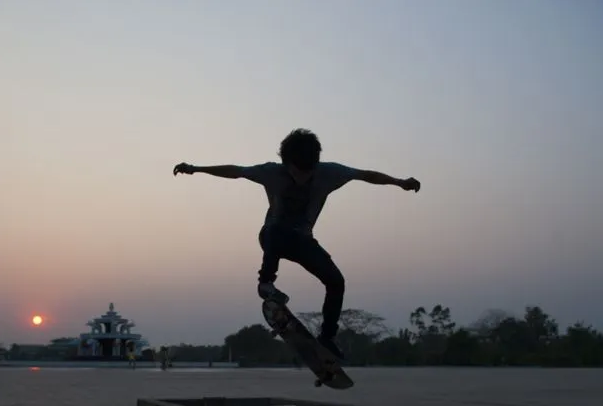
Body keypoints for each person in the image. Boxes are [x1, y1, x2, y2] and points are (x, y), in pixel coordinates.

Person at [173, 128, 420, 359]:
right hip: (272, 237)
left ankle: (327, 337)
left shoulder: (330, 173)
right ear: (285, 164)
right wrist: (195, 168)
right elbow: (235, 171)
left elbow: (366, 175)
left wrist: (399, 182)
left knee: (336, 282)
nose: (302, 178)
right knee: (277, 228)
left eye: (308, 172)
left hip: (303, 241)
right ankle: (266, 283)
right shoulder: (270, 172)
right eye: (296, 172)